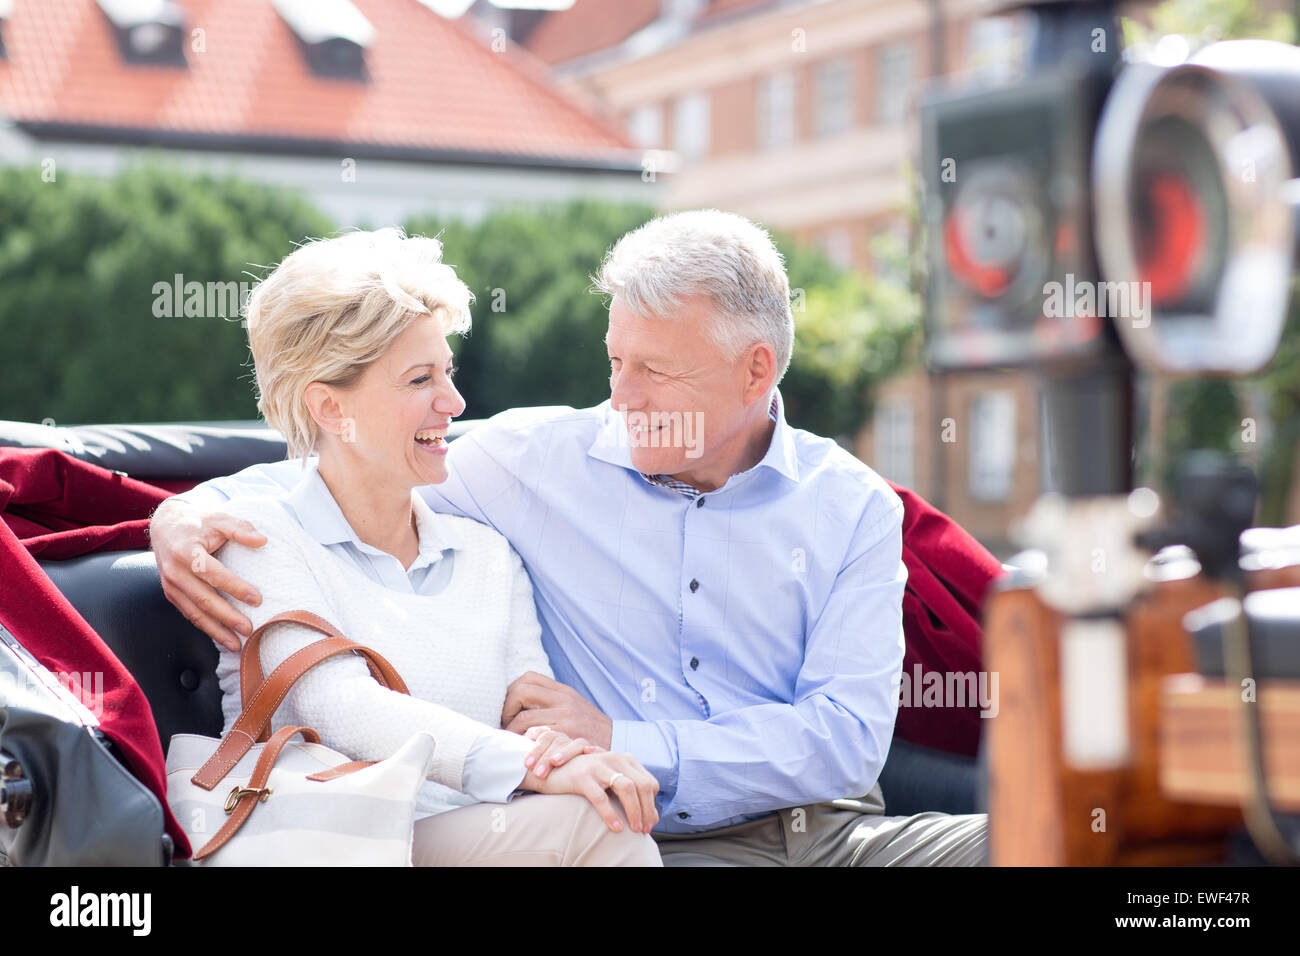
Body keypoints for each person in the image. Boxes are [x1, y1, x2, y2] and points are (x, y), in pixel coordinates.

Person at [152, 210, 988, 866]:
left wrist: (621, 742)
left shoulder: (852, 507)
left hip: (844, 838)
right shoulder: (529, 463)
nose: (621, 395)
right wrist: (179, 513)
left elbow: (844, 742)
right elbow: (335, 467)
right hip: (656, 840)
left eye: (655, 371)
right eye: (615, 360)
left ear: (756, 371)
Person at [187, 228, 661, 866]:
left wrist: (568, 756)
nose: (454, 402)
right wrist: (533, 766)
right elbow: (340, 706)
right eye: (418, 380)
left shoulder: (489, 555)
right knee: (601, 827)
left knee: (603, 809)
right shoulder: (258, 541)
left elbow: (529, 709)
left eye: (448, 371)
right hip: (337, 842)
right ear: (330, 408)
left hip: (477, 840)